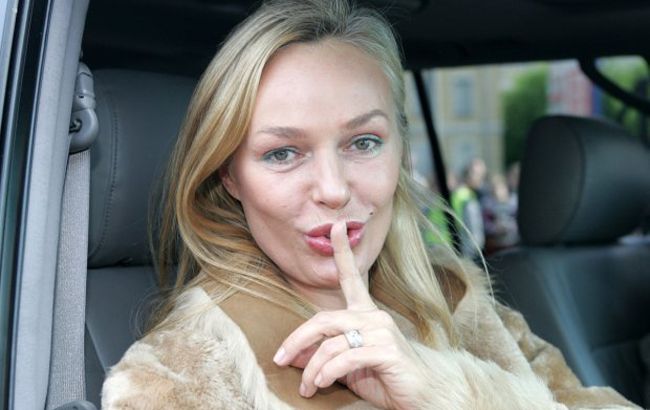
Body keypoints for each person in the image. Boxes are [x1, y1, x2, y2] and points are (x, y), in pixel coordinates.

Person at [101, 1, 639, 409]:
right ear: (229, 176)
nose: (333, 189)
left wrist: (446, 389)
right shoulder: (183, 374)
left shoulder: (456, 300)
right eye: (282, 153)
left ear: (401, 152)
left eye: (363, 142)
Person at [451, 158, 487, 260]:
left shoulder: (464, 193)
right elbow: (470, 228)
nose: (481, 180)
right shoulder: (465, 196)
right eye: (479, 175)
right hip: (467, 251)